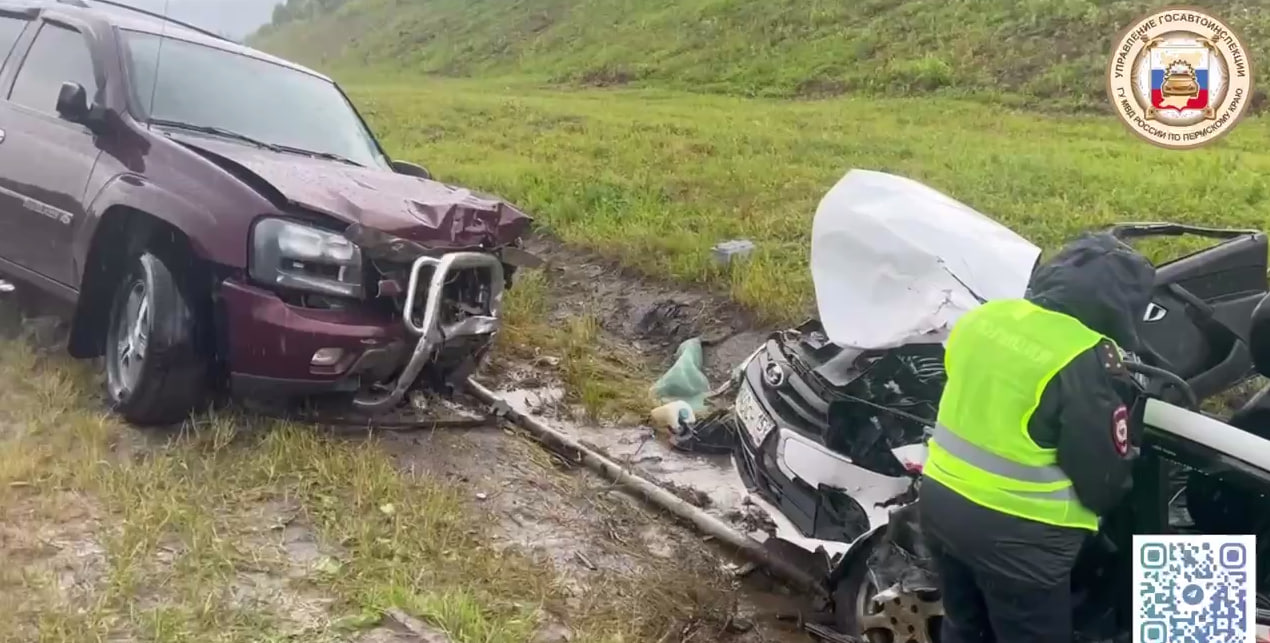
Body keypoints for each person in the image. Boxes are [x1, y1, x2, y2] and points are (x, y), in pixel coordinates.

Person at [918, 232, 1155, 643]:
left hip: (940, 505)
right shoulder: (1084, 355)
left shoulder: (985, 317)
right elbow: (1101, 479)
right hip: (1021, 541)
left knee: (965, 628)